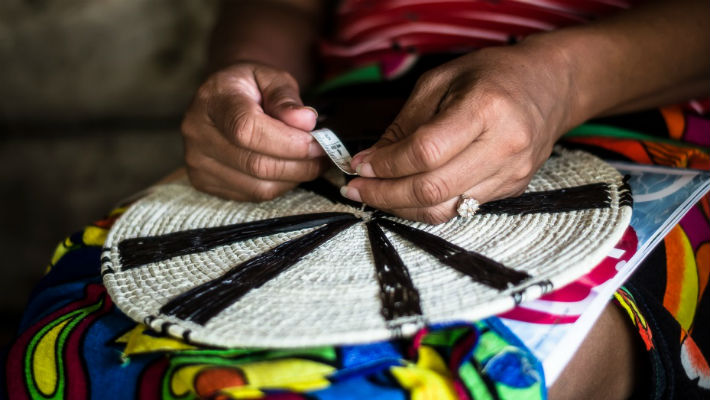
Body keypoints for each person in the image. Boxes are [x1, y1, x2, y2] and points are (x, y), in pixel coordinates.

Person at [180, 1, 709, 398]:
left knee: (458, 374)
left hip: (628, 112)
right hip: (333, 119)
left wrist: (563, 81)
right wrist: (248, 84)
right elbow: (283, 7)